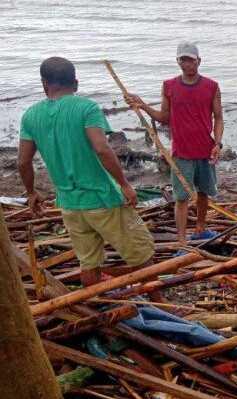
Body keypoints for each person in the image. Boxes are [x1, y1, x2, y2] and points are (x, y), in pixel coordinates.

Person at [18, 56, 160, 299]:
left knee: (89, 262)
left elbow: (23, 161)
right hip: (102, 197)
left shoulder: (31, 116)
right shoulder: (86, 108)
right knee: (140, 253)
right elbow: (102, 149)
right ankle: (160, 302)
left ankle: (95, 303)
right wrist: (125, 184)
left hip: (70, 204)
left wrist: (31, 192)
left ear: (45, 84)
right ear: (75, 83)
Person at [125, 42, 223, 246]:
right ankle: (181, 241)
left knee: (204, 192)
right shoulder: (169, 86)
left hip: (205, 150)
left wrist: (218, 143)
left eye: (190, 60)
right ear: (178, 61)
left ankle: (200, 229)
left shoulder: (211, 86)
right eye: (182, 60)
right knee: (181, 198)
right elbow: (164, 117)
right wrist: (142, 105)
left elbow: (219, 117)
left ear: (199, 61)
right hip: (181, 153)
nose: (187, 64)